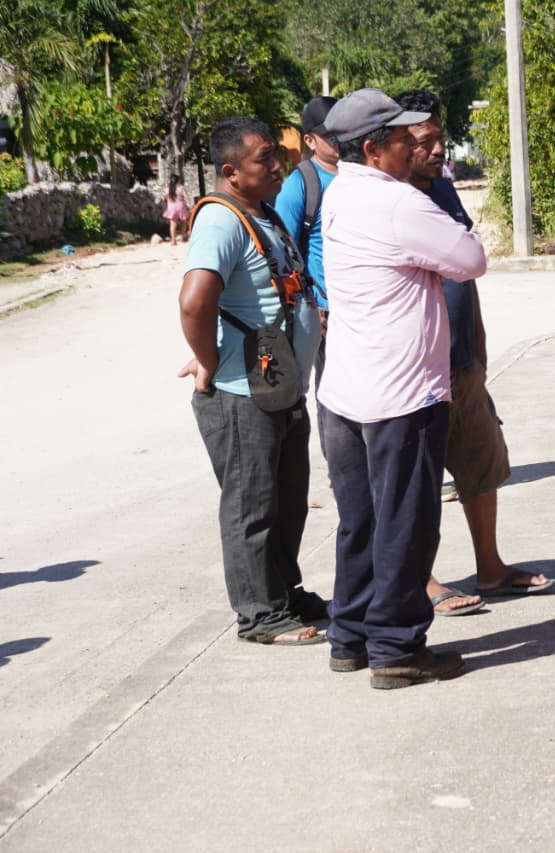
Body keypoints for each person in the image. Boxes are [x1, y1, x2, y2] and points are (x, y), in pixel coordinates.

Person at [318, 88, 485, 688]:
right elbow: (470, 258)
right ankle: (395, 648)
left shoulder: (340, 191)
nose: (413, 147)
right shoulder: (396, 202)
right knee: (406, 522)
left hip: (346, 390)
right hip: (400, 392)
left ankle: (351, 637)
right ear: (372, 149)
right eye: (400, 139)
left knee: (361, 522)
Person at [393, 89, 554, 614]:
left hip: (462, 363)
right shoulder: (391, 201)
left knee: (481, 467)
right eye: (425, 141)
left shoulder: (441, 188)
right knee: (416, 482)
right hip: (416, 371)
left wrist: (478, 351)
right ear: (396, 143)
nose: (439, 149)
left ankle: (491, 568)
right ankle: (422, 581)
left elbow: (466, 274)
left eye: (440, 137)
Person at [177, 116, 326, 644]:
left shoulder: (260, 212)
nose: (278, 165)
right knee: (252, 506)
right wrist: (209, 361)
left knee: (287, 501)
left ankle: (283, 593)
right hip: (244, 393)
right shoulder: (221, 221)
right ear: (231, 172)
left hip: (278, 384)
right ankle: (260, 615)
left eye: (277, 155)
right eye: (265, 158)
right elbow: (195, 302)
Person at [275, 96, 338, 400]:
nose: (338, 138)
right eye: (329, 134)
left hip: (365, 306)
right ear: (310, 141)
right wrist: (310, 305)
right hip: (327, 312)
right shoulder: (300, 184)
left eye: (342, 129)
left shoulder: (362, 173)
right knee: (334, 398)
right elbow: (282, 251)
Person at [163, 174, 190, 245]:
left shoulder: (167, 189)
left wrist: (167, 204)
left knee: (173, 224)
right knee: (183, 223)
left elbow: (164, 199)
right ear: (178, 181)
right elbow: (185, 198)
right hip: (180, 206)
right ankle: (182, 238)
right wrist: (187, 206)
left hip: (171, 207)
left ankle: (173, 240)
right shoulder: (181, 188)